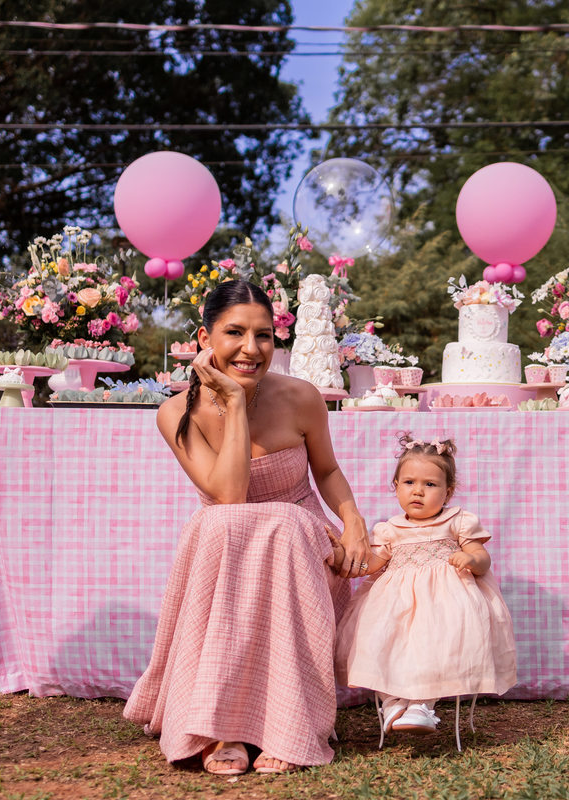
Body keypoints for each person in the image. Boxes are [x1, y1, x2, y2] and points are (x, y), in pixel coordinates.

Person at [123, 279, 371, 776]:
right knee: (225, 523)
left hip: (298, 552)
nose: (251, 349)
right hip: (228, 555)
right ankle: (223, 727)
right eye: (234, 333)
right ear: (204, 339)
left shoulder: (301, 397)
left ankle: (289, 724)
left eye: (264, 336)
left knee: (282, 525)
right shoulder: (176, 412)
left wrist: (354, 524)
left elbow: (325, 470)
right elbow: (229, 495)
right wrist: (233, 402)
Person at [331, 433, 517, 740]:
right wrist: (343, 557)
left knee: (435, 646)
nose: (418, 491)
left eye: (430, 485)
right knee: (379, 641)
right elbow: (372, 564)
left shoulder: (457, 522)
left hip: (444, 604)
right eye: (409, 483)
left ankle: (421, 704)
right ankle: (392, 702)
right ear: (396, 487)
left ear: (448, 491)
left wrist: (470, 559)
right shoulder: (389, 529)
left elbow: (483, 559)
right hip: (395, 605)